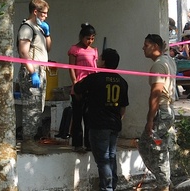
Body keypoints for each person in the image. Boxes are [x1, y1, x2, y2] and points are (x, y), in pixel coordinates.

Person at [74, 48, 128, 191]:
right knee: (111, 157)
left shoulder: (94, 79)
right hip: (115, 124)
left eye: (100, 58)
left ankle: (107, 188)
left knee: (103, 160)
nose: (97, 60)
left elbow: (77, 89)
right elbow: (123, 108)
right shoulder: (122, 81)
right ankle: (112, 186)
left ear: (104, 62)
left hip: (99, 125)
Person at [138, 34, 176, 191]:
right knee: (157, 147)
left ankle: (164, 184)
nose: (143, 48)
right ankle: (164, 181)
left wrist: (150, 120)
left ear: (155, 46)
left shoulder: (159, 65)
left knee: (153, 148)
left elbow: (156, 93)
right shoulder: (167, 60)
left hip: (161, 111)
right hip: (167, 110)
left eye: (146, 45)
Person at [17, 0, 51, 155]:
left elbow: (47, 48)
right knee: (31, 107)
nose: (45, 16)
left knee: (39, 107)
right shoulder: (26, 28)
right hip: (32, 71)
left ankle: (31, 139)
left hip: (41, 70)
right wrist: (32, 73)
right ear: (35, 11)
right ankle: (28, 141)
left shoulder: (40, 28)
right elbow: (23, 52)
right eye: (43, 13)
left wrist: (47, 33)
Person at [68, 23, 98, 152]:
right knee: (78, 115)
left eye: (92, 38)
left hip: (91, 86)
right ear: (81, 37)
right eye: (87, 38)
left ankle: (89, 143)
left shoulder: (94, 50)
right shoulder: (74, 50)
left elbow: (95, 68)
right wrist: (75, 84)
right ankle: (77, 144)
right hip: (79, 85)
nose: (90, 41)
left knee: (89, 116)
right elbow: (71, 68)